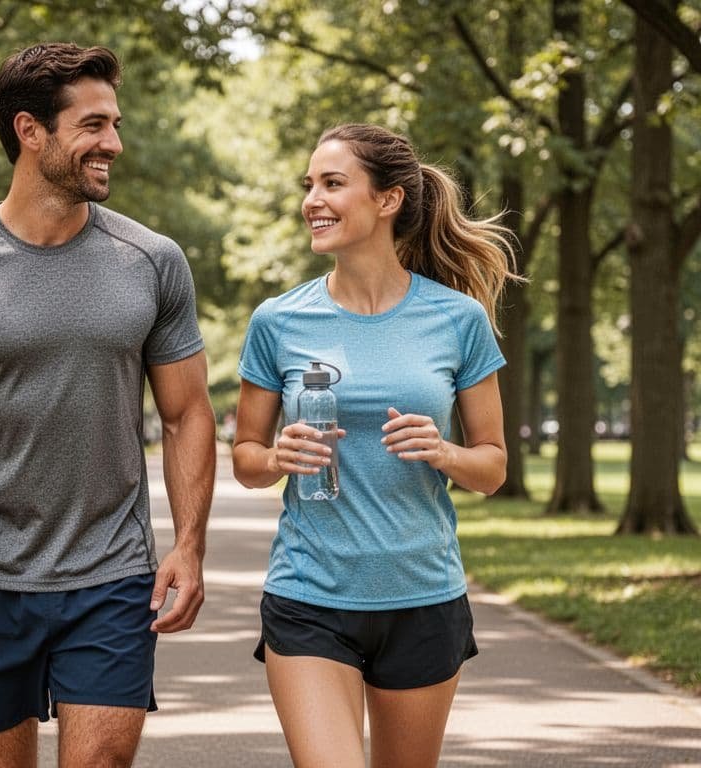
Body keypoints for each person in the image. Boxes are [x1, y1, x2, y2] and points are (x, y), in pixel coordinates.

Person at [0, 43, 216, 768]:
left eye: (115, 124)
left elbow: (187, 415)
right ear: (30, 131)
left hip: (112, 574)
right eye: (93, 125)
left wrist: (189, 546)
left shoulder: (154, 262)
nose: (114, 143)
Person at [232, 123, 516, 768]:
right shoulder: (279, 320)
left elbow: (493, 467)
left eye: (333, 183)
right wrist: (275, 458)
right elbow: (246, 457)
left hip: (423, 596)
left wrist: (444, 452)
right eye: (309, 185)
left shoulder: (458, 319)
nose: (312, 200)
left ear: (388, 200)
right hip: (309, 594)